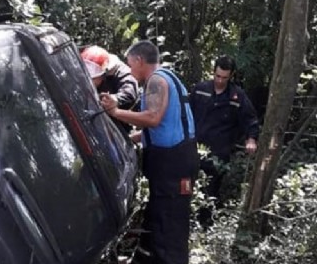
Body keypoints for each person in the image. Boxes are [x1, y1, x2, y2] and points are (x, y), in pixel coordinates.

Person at [101, 40, 199, 264]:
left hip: (174, 166)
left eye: (130, 65)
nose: (130, 71)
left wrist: (116, 112)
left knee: (170, 226)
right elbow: (164, 126)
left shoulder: (157, 80)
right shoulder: (168, 78)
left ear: (139, 60)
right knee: (161, 221)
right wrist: (127, 139)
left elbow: (153, 118)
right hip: (175, 163)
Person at [190, 55, 259, 226]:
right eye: (217, 76)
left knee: (211, 190)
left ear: (231, 76)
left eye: (224, 77)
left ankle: (205, 224)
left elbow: (250, 119)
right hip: (194, 149)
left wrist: (251, 139)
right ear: (213, 72)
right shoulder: (200, 89)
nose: (220, 80)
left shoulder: (237, 96)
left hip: (219, 153)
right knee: (188, 186)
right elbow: (185, 114)